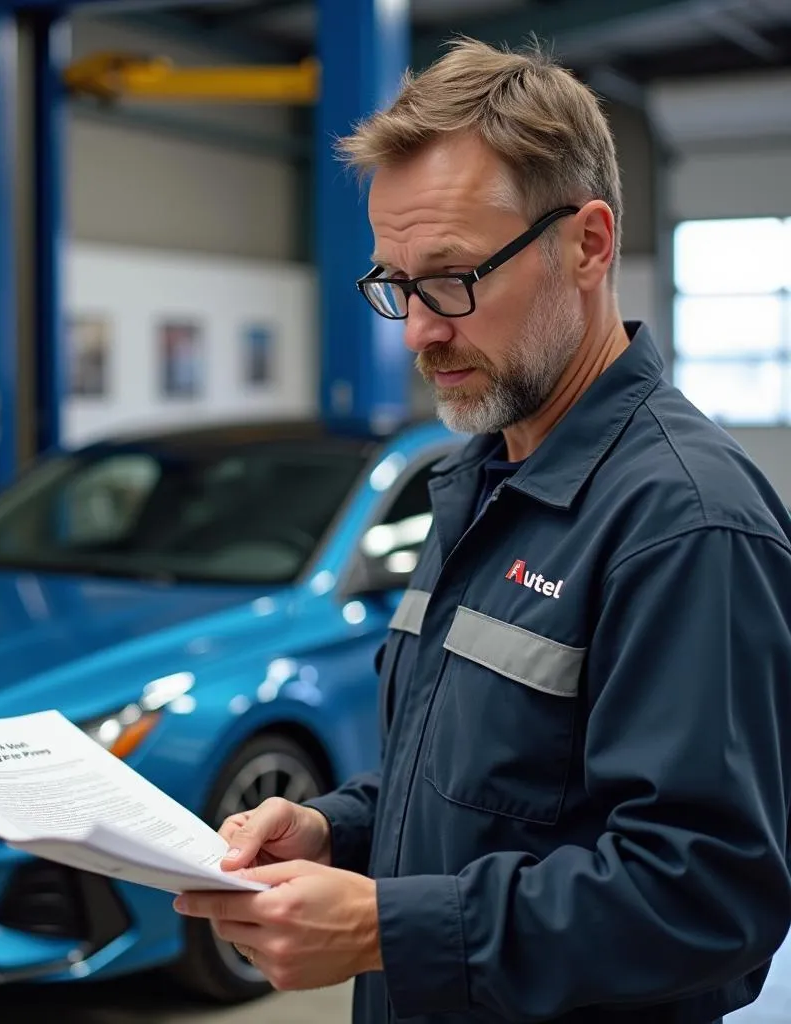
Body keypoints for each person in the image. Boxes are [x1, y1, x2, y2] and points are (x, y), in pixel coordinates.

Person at [172, 36, 791, 1024]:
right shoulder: (477, 477)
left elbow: (709, 897)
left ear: (587, 245)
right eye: (395, 283)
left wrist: (390, 929)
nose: (417, 329)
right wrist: (334, 828)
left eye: (453, 278)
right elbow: (473, 781)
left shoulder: (684, 524)